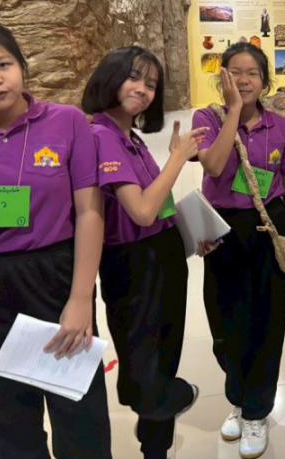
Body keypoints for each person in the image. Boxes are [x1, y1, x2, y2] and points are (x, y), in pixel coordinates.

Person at [0, 19, 112, 458]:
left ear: (22, 65)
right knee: (7, 428)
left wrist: (81, 298)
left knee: (81, 421)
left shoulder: (66, 122)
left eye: (3, 64)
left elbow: (89, 211)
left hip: (52, 278)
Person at [83, 47, 204, 459]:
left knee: (164, 351)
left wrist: (192, 230)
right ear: (110, 77)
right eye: (133, 78)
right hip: (134, 265)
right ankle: (153, 407)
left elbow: (160, 206)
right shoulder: (101, 135)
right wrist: (177, 158)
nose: (143, 89)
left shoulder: (129, 137)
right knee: (144, 357)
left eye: (151, 84)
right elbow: (142, 210)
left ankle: (156, 445)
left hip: (163, 254)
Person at [193, 42, 285, 457]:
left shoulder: (280, 126)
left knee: (267, 321)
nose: (243, 80)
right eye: (234, 72)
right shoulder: (207, 118)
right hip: (222, 230)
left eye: (252, 73)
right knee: (225, 321)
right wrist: (234, 112)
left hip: (268, 225)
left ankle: (256, 411)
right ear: (222, 77)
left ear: (265, 81)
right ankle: (238, 397)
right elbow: (214, 165)